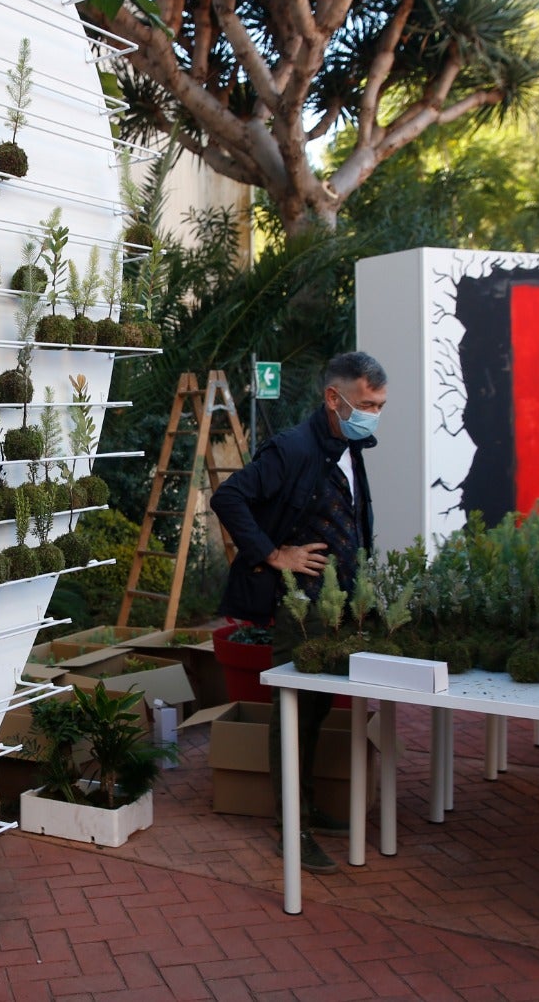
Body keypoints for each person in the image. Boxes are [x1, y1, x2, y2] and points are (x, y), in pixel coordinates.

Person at [210, 351, 386, 875]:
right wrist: (273, 553)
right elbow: (229, 497)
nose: (375, 413)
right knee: (293, 712)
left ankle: (305, 806)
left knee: (316, 711)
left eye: (379, 404)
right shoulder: (293, 448)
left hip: (336, 607)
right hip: (299, 607)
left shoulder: (350, 445)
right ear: (334, 399)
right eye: (368, 404)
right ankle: (292, 826)